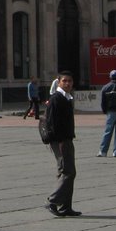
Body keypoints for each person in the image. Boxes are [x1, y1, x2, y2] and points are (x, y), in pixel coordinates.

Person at [44, 72, 81, 217]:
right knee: (68, 171)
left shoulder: (66, 98)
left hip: (66, 139)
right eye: (64, 81)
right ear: (58, 82)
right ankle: (52, 201)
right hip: (61, 140)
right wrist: (59, 141)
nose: (68, 84)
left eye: (70, 81)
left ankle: (66, 206)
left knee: (64, 171)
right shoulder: (56, 99)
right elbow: (52, 122)